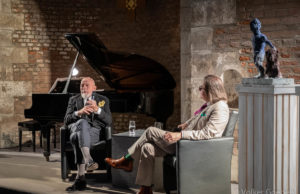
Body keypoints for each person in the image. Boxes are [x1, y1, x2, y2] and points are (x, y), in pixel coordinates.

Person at [105, 75, 229, 194]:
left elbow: (210, 133)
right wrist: (185, 124)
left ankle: (126, 160)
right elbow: (199, 119)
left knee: (150, 131)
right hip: (185, 143)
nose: (199, 90)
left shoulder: (220, 107)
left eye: (201, 88)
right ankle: (146, 189)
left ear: (210, 90)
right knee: (147, 147)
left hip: (191, 147)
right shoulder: (210, 105)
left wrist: (180, 135)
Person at [64, 77, 112, 191]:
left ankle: (80, 179)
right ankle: (89, 160)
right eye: (82, 85)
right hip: (76, 128)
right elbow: (66, 120)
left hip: (93, 133)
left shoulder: (103, 99)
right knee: (82, 122)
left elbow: (109, 121)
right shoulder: (73, 99)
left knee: (77, 138)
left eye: (87, 85)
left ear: (94, 88)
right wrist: (78, 112)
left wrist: (97, 110)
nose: (84, 88)